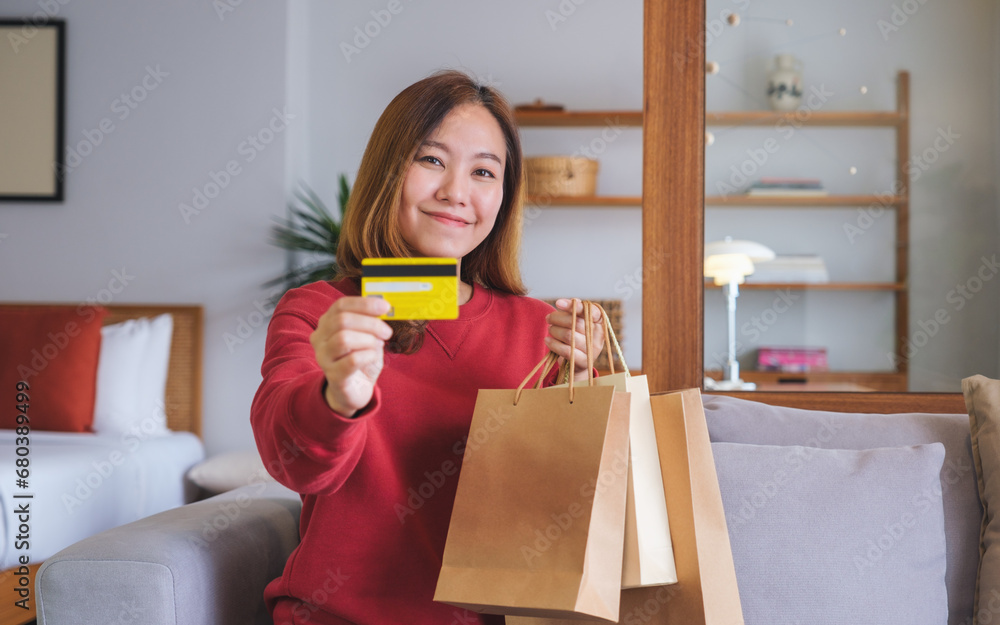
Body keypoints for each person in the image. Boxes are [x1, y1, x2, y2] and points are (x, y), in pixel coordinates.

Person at [251, 69, 604, 625]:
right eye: (431, 160)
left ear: (504, 197)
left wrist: (584, 394)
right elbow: (294, 463)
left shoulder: (541, 330)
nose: (455, 192)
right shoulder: (321, 311)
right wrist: (338, 394)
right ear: (387, 170)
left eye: (483, 172)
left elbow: (568, 515)